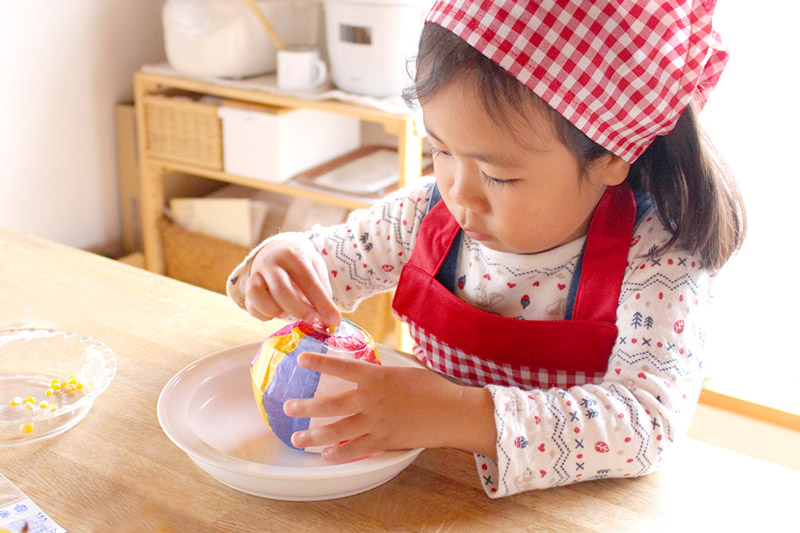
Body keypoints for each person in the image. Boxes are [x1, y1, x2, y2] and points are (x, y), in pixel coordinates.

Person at [227, 0, 745, 497]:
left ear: (611, 156)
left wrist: (451, 413)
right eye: (440, 150)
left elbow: (644, 425)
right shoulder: (423, 215)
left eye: (498, 176)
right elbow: (326, 263)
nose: (457, 193)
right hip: (430, 494)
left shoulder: (657, 257)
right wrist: (278, 264)